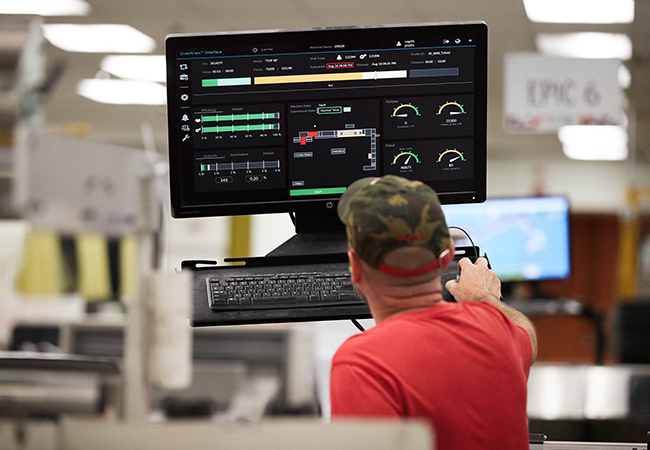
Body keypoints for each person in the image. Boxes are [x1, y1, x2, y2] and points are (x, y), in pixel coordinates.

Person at [330, 175, 537, 450]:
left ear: (355, 267)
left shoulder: (363, 364)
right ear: (448, 256)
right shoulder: (495, 329)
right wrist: (485, 299)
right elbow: (528, 337)